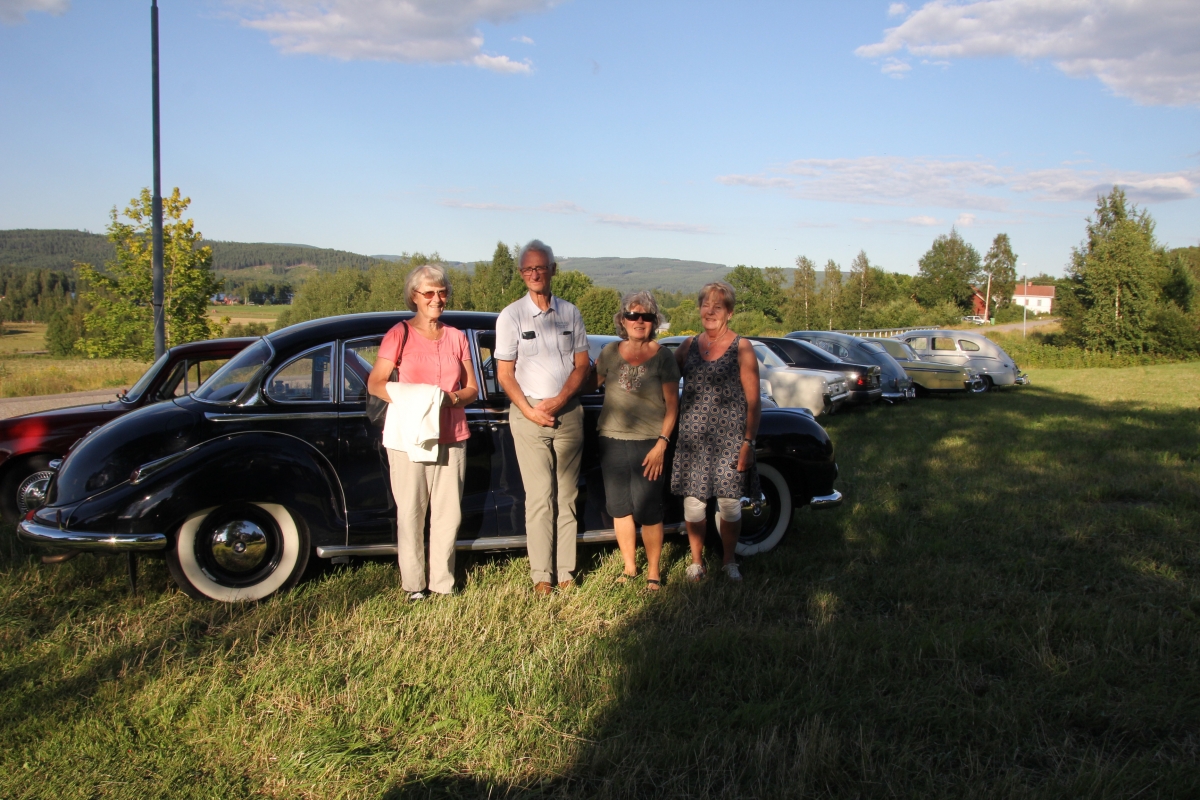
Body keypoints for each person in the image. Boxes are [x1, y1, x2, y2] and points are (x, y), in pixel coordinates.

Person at [368, 264, 478, 601]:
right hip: (409, 437)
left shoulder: (457, 337)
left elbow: (472, 388)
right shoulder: (399, 334)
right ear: (414, 296)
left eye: (442, 292)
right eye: (429, 292)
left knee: (448, 515)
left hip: (452, 433)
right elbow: (376, 383)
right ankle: (414, 586)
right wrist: (417, 398)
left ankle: (443, 584)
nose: (436, 299)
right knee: (411, 514)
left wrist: (451, 399)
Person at [495, 239, 590, 595]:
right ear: (522, 273)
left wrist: (561, 399)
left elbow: (582, 366)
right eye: (528, 269)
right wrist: (530, 410)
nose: (534, 274)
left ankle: (565, 572)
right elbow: (505, 374)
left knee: (567, 496)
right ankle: (542, 577)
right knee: (539, 499)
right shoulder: (511, 316)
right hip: (528, 415)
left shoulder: (571, 313)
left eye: (540, 267)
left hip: (568, 413)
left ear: (553, 270)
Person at [670, 280, 761, 582]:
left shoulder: (742, 347)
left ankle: (729, 560)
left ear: (729, 312)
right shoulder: (688, 345)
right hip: (693, 441)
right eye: (705, 305)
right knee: (694, 504)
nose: (710, 311)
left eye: (717, 307)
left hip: (729, 441)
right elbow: (665, 379)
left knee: (730, 504)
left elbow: (754, 401)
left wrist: (748, 442)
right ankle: (696, 562)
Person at [591, 291, 680, 591]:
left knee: (650, 510)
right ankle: (630, 567)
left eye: (646, 316)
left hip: (649, 443)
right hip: (612, 440)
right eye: (632, 315)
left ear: (654, 322)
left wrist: (662, 444)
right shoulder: (609, 352)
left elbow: (673, 405)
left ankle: (653, 572)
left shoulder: (663, 357)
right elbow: (588, 382)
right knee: (620, 508)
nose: (639, 321)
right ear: (622, 320)